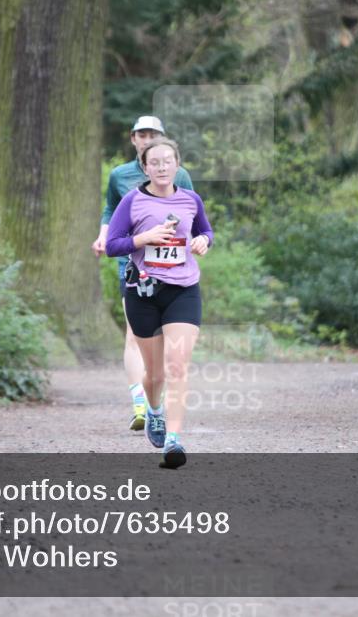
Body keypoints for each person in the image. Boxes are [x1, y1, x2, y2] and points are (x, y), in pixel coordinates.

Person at [104, 137, 212, 469]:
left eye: (168, 161)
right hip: (144, 293)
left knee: (177, 365)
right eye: (155, 162)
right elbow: (112, 245)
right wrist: (144, 239)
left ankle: (174, 439)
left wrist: (202, 241)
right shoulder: (133, 201)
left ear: (177, 165)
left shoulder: (191, 200)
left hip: (183, 290)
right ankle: (153, 410)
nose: (162, 167)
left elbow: (206, 231)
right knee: (155, 373)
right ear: (145, 167)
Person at [91, 116, 195, 433]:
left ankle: (154, 398)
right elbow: (111, 210)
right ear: (133, 139)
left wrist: (195, 241)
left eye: (153, 134)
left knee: (168, 345)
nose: (147, 139)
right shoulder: (120, 176)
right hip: (134, 267)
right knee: (134, 337)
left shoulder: (181, 176)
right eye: (141, 135)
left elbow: (191, 211)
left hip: (174, 272)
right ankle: (141, 404)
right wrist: (103, 234)